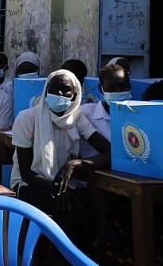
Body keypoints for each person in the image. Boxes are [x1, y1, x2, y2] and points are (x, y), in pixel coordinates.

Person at [10, 69, 110, 251]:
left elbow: (108, 151)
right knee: (68, 207)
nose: (59, 94)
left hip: (65, 185)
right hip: (31, 185)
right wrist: (56, 186)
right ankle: (56, 257)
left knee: (91, 209)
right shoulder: (28, 118)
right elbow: (25, 173)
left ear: (75, 95)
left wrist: (76, 164)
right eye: (53, 89)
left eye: (65, 90)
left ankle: (84, 256)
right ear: (46, 91)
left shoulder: (77, 119)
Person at [80, 64, 130, 158]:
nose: (117, 91)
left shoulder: (137, 116)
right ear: (101, 89)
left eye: (123, 87)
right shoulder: (86, 113)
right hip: (92, 171)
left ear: (129, 87)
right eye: (111, 88)